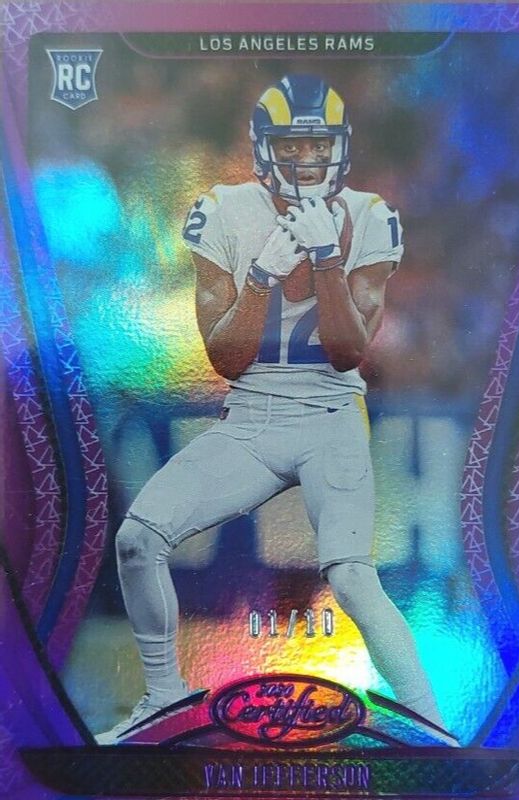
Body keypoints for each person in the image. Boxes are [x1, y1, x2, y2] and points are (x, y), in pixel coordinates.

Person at [97, 74, 457, 746]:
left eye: (319, 144)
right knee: (137, 540)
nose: (307, 159)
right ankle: (163, 696)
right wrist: (261, 275)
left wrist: (325, 259)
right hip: (252, 421)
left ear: (340, 146)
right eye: (292, 145)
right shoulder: (222, 210)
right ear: (264, 148)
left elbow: (348, 351)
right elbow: (226, 359)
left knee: (352, 579)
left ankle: (433, 725)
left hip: (330, 419)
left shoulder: (369, 215)